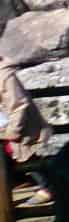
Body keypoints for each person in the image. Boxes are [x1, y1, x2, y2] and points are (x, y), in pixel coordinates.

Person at [0, 55, 52, 205]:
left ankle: (47, 187)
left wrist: (13, 130)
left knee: (26, 155)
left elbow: (19, 104)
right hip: (5, 122)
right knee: (18, 156)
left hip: (16, 124)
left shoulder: (4, 75)